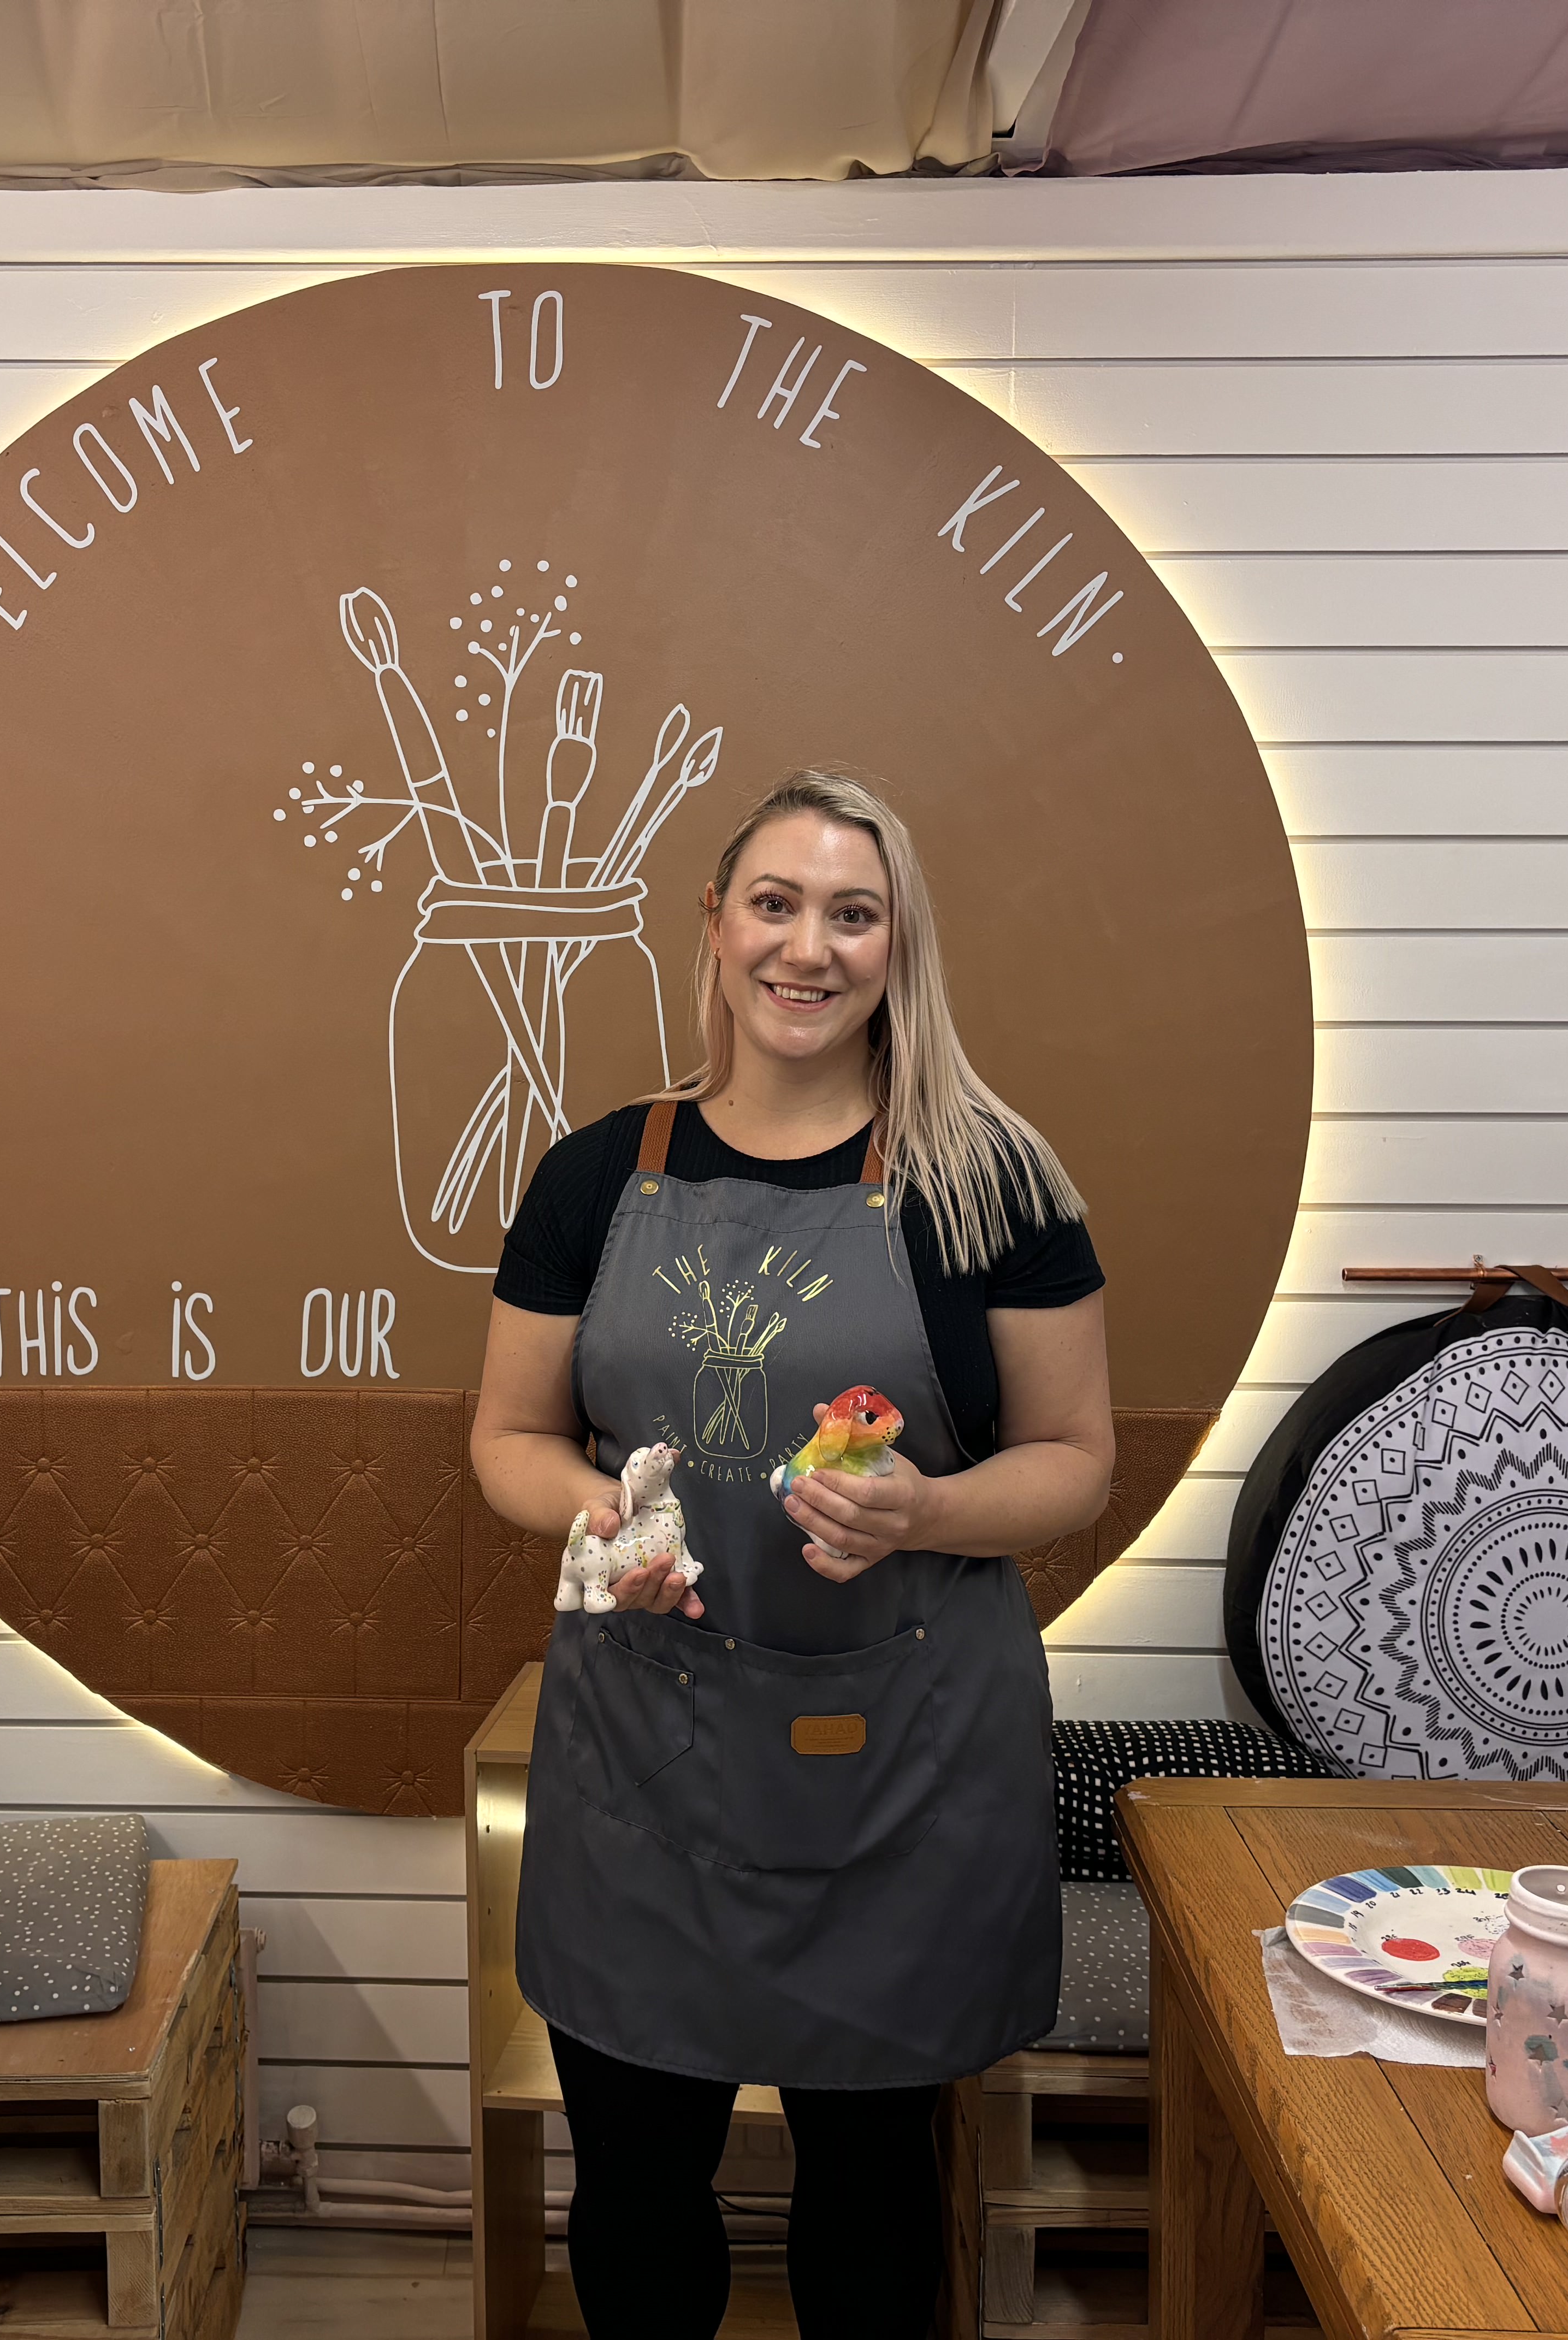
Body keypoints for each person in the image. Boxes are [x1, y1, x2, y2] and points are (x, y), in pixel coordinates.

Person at [473, 770, 1117, 2338]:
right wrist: (603, 1514)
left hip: (904, 1763)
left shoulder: (992, 1182)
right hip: (645, 1760)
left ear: (900, 945)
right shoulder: (593, 1175)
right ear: (714, 924)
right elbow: (505, 1436)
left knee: (879, 2193)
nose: (807, 947)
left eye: (853, 912)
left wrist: (925, 1509)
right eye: (776, 903)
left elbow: (1076, 1461)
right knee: (631, 2190)